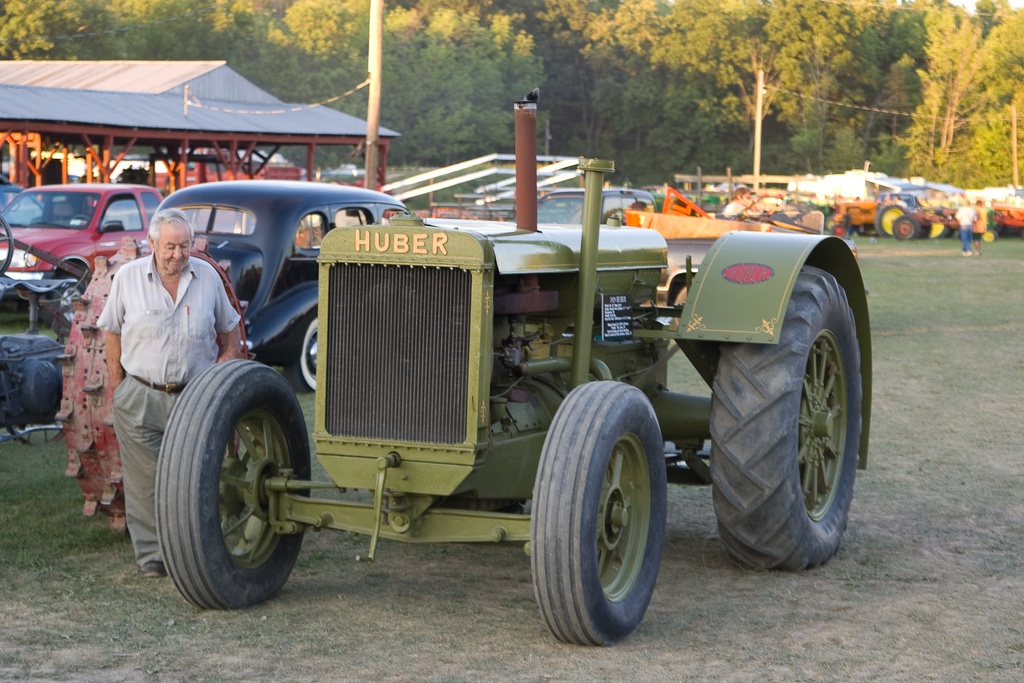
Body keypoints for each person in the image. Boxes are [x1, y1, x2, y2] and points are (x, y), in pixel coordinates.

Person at [97, 208, 243, 578]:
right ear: (151, 245)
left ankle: (195, 550)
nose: (178, 254)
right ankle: (153, 559)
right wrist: (119, 385)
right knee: (144, 483)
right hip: (141, 395)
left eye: (184, 246)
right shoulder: (127, 278)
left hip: (196, 397)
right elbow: (111, 330)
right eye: (170, 246)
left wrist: (223, 364)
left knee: (196, 478)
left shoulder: (208, 277)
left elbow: (230, 330)